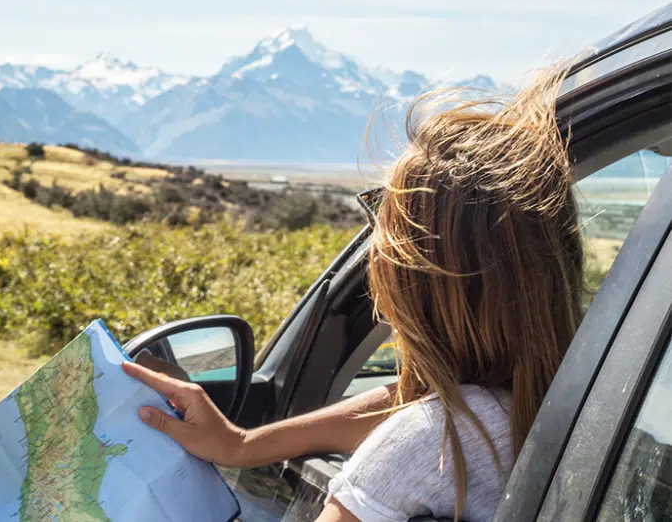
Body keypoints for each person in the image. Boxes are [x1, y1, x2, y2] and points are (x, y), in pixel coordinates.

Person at [123, 67, 585, 522]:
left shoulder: (426, 448)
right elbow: (418, 404)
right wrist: (240, 446)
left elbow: (426, 426)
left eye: (383, 236)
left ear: (417, 283)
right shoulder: (574, 402)